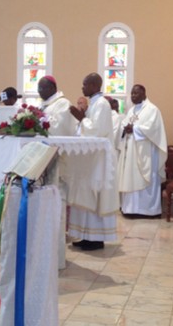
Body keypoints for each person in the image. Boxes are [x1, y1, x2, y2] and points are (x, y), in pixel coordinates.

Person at [67, 72, 119, 251]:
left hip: (100, 159)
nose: (82, 88)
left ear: (95, 85)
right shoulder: (94, 104)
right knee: (88, 194)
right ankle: (86, 234)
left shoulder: (102, 104)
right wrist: (81, 119)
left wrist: (81, 118)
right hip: (92, 157)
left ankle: (96, 238)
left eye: (85, 84)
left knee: (96, 195)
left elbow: (97, 130)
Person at [117, 85, 167, 217]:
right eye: (132, 93)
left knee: (144, 178)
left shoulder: (152, 110)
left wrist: (134, 129)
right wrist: (125, 128)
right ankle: (129, 208)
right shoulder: (132, 110)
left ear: (144, 94)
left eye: (136, 93)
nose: (133, 96)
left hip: (146, 153)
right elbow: (124, 124)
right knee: (130, 176)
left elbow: (153, 129)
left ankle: (147, 210)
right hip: (131, 150)